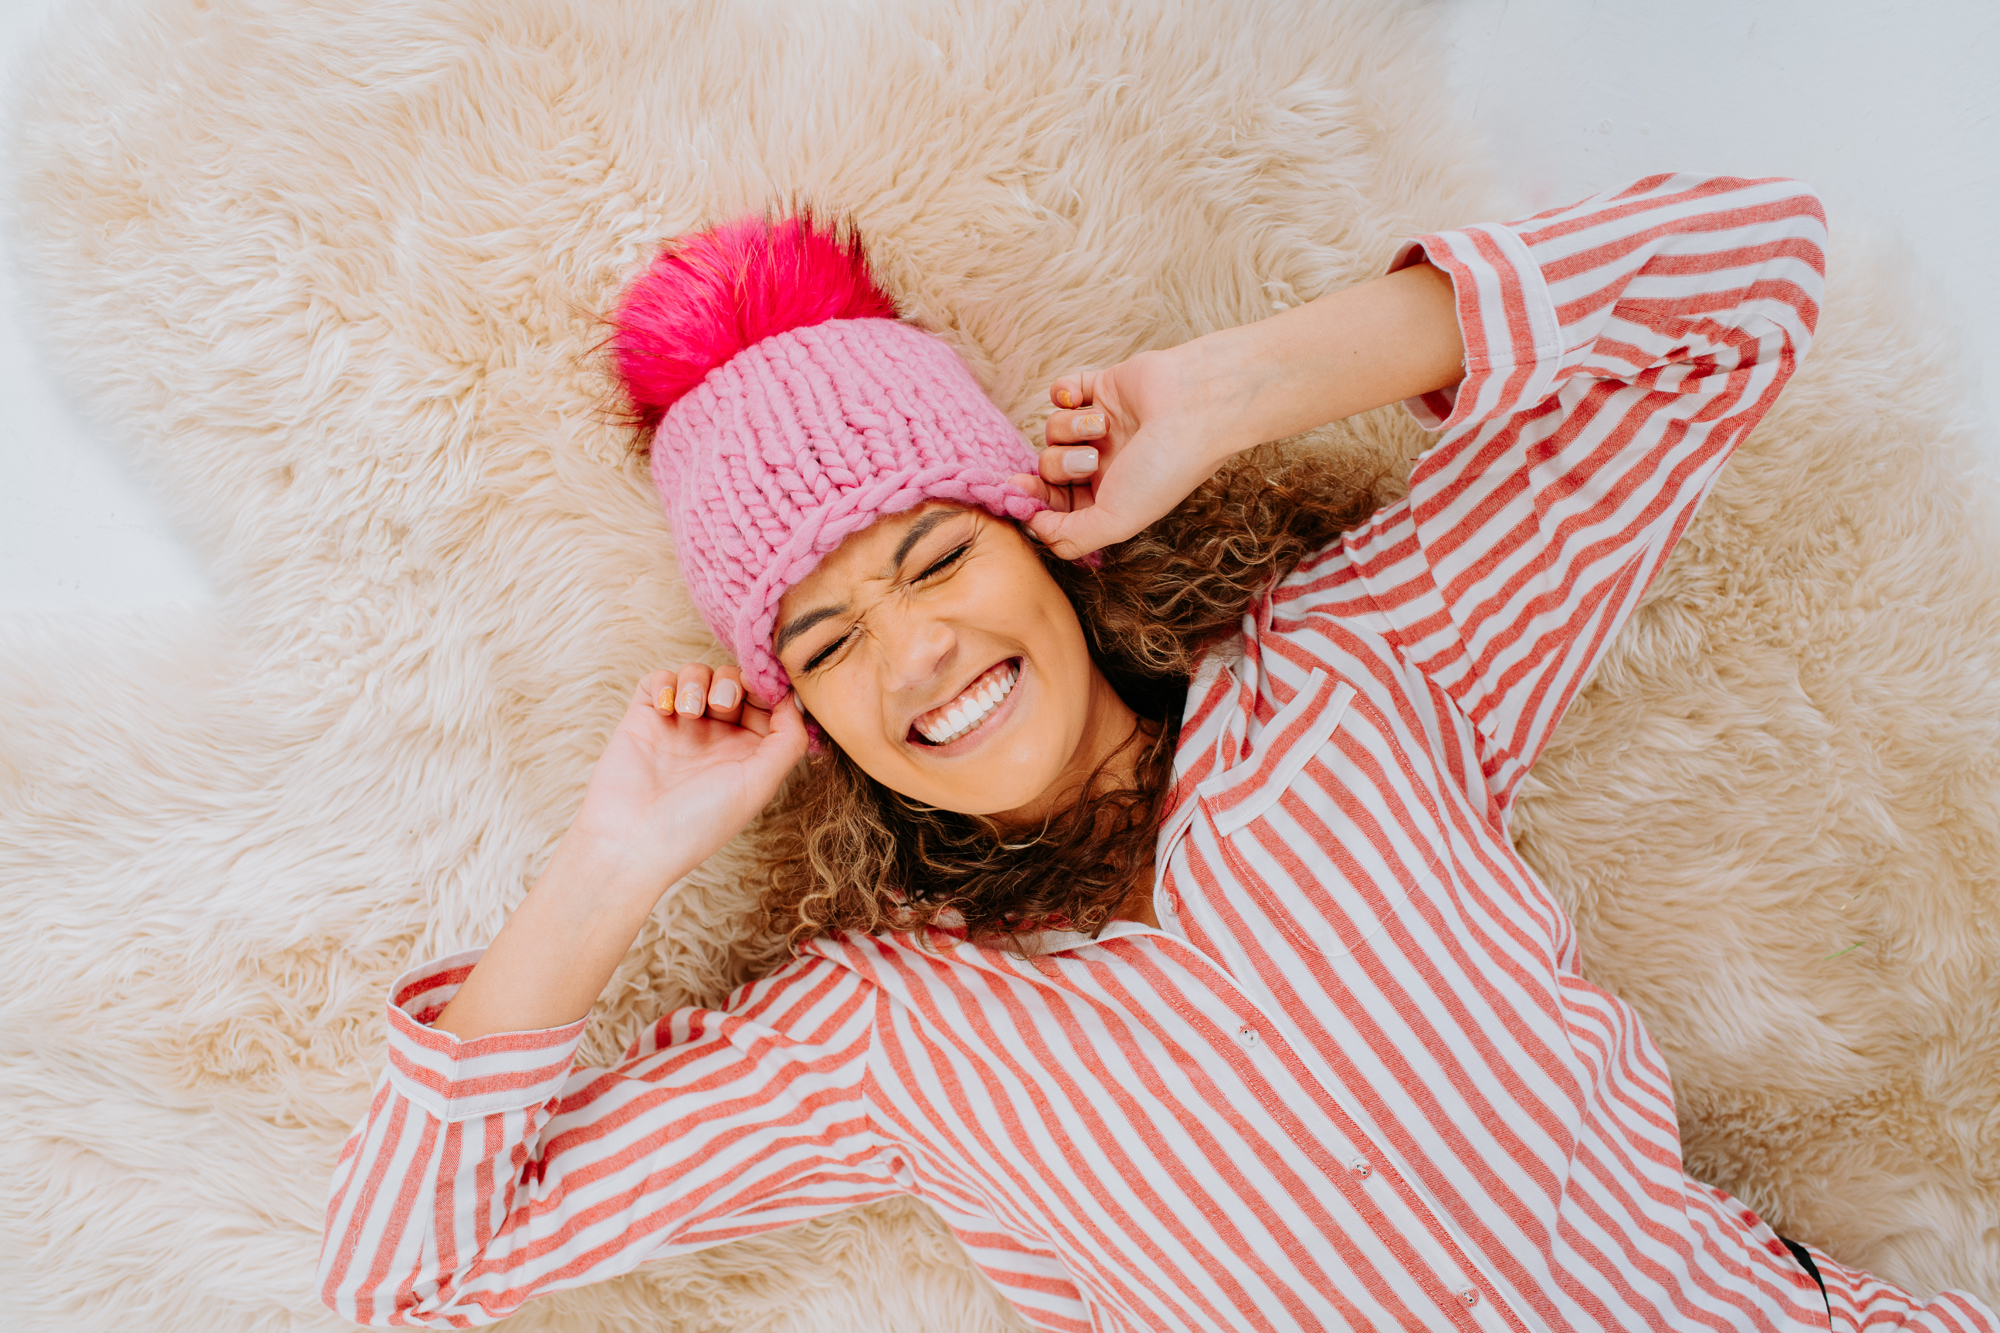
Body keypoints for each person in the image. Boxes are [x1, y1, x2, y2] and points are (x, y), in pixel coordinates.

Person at [316, 175, 1996, 1331]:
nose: (917, 653)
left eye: (937, 556)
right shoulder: (881, 1035)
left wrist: (1228, 389)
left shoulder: (1362, 673)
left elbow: (1748, 280)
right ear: (805, 718)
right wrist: (615, 860)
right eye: (823, 644)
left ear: (1049, 541)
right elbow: (402, 1277)